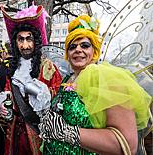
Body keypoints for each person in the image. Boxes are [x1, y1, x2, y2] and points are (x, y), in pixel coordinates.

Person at [38, 14, 151, 154]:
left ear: (94, 50)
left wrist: (66, 132)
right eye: (72, 46)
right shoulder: (67, 78)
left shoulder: (107, 79)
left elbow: (127, 145)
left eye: (85, 45)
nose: (78, 49)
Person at [0, 3, 62, 155]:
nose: (25, 45)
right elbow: (7, 92)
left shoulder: (48, 67)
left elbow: (59, 96)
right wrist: (3, 105)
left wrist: (41, 93)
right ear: (15, 42)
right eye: (20, 40)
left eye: (29, 39)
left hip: (38, 134)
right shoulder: (11, 67)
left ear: (36, 41)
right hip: (14, 132)